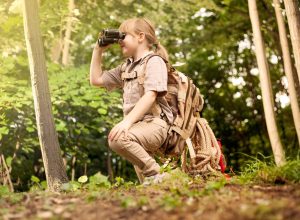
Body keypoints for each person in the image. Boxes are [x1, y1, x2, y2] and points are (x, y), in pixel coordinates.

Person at [89, 18, 173, 185]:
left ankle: (159, 174)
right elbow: (96, 80)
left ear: (140, 37)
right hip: (136, 129)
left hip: (155, 125)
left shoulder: (154, 61)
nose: (119, 41)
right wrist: (97, 50)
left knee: (118, 138)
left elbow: (151, 95)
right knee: (152, 189)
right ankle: (163, 183)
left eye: (124, 36)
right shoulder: (126, 67)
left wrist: (126, 123)